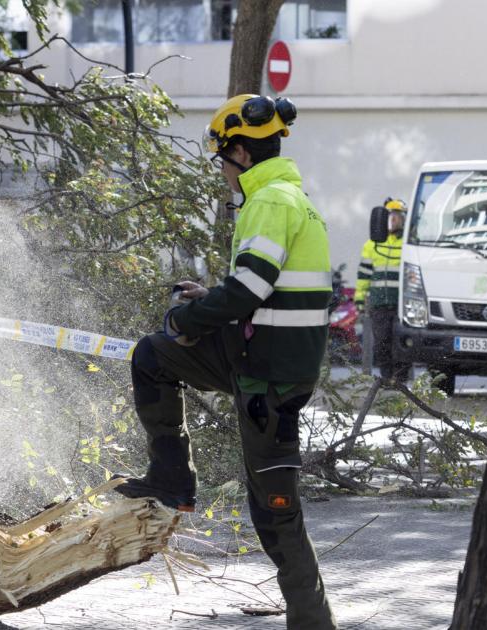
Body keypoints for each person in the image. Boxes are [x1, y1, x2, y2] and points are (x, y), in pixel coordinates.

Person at [114, 94, 337, 629]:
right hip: (253, 357)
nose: (223, 172)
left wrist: (188, 322)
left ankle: (314, 623)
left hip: (269, 378)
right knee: (152, 357)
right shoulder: (284, 197)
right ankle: (171, 480)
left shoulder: (273, 201)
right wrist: (209, 299)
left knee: (276, 514)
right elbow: (262, 292)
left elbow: (249, 289)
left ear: (240, 150)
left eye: (222, 159)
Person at [356, 199, 407, 382]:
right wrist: (360, 299)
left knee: (400, 343)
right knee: (381, 344)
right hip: (379, 304)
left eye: (397, 217)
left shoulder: (408, 244)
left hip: (401, 305)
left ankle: (401, 381)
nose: (393, 220)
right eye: (390, 216)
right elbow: (364, 275)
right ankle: (386, 379)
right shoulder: (371, 245)